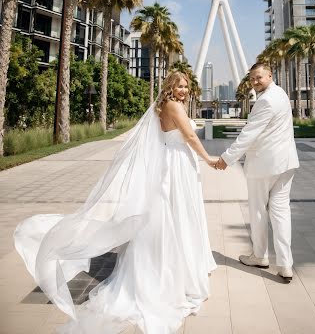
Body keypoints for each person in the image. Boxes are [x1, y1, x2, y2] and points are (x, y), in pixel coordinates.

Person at [14, 71, 217, 333]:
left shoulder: (161, 107)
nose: (184, 90)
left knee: (171, 215)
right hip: (177, 164)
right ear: (170, 87)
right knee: (176, 215)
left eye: (186, 86)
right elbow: (189, 137)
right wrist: (209, 159)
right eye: (179, 86)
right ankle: (174, 272)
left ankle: (175, 264)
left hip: (172, 161)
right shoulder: (174, 106)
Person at [216, 62, 299, 282]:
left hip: (265, 165)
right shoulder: (281, 94)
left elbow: (248, 134)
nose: (254, 82)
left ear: (270, 75)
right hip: (287, 163)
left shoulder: (265, 101)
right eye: (252, 79)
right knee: (281, 213)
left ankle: (260, 256)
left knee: (258, 211)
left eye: (258, 78)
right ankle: (285, 265)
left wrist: (227, 158)